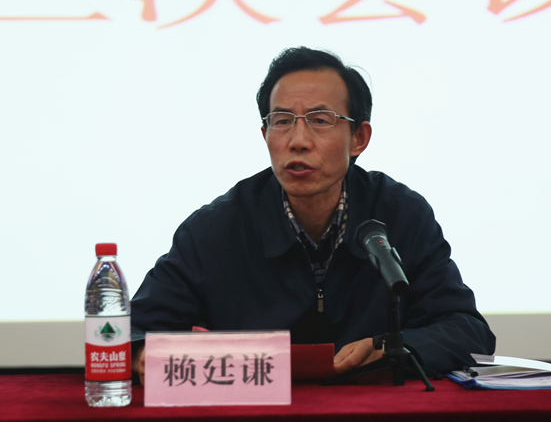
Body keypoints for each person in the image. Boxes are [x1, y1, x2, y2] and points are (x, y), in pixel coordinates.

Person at [131, 47, 495, 384]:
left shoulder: (400, 215)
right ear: (265, 134)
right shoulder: (216, 228)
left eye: (320, 120)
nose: (298, 140)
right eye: (282, 121)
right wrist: (140, 354)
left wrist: (395, 347)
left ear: (359, 138)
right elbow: (134, 330)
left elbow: (467, 330)